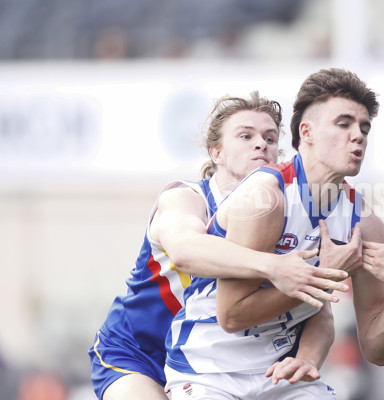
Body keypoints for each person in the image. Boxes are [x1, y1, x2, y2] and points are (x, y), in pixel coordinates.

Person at [164, 68, 384, 399]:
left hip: (283, 375)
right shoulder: (266, 196)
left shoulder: (365, 224)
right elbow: (231, 315)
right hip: (210, 371)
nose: (358, 136)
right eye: (343, 124)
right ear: (306, 132)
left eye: (364, 127)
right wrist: (322, 276)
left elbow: (377, 351)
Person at [89, 92, 352, 400]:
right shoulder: (186, 198)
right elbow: (186, 252)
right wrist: (273, 266)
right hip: (139, 351)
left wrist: (307, 357)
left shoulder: (283, 210)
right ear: (217, 152)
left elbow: (313, 306)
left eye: (270, 138)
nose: (261, 144)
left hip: (213, 364)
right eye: (245, 135)